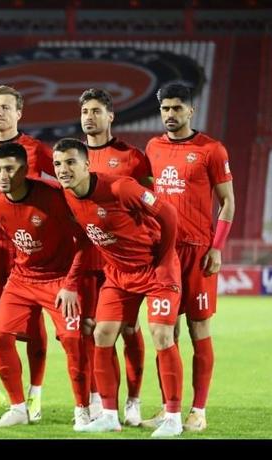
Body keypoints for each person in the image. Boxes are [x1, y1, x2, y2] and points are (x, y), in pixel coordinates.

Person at [54, 138, 184, 437]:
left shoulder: (120, 188)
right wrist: (70, 281)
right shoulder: (68, 195)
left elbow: (168, 213)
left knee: (162, 335)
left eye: (71, 162)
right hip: (118, 274)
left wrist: (165, 261)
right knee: (101, 333)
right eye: (58, 164)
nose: (63, 169)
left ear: (87, 165)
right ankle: (109, 415)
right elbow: (84, 238)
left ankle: (173, 418)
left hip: (153, 268)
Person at [144, 83, 235, 432]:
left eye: (177, 108)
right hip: (163, 252)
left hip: (198, 252)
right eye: (165, 108)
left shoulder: (211, 150)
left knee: (199, 328)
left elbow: (227, 202)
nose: (170, 114)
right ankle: (169, 407)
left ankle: (198, 410)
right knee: (163, 332)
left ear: (190, 111)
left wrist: (217, 247)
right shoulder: (153, 148)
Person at [0, 143, 90, 429]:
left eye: (9, 169)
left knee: (72, 341)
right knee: (0, 335)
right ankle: (18, 408)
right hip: (22, 279)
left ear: (26, 170)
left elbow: (85, 239)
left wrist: (71, 284)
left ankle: (83, 410)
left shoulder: (53, 196)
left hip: (59, 279)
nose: (2, 176)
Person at [0, 85, 54, 420]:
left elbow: (63, 178)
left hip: (26, 246)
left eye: (6, 107)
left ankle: (35, 394)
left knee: (32, 322)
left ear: (19, 113)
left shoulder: (35, 149)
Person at [78, 88, 153, 424]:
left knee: (130, 329)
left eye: (96, 111)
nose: (89, 118)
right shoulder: (73, 157)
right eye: (85, 112)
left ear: (110, 116)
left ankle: (133, 401)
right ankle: (98, 401)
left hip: (123, 260)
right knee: (91, 329)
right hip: (88, 258)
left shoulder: (131, 158)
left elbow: (151, 204)